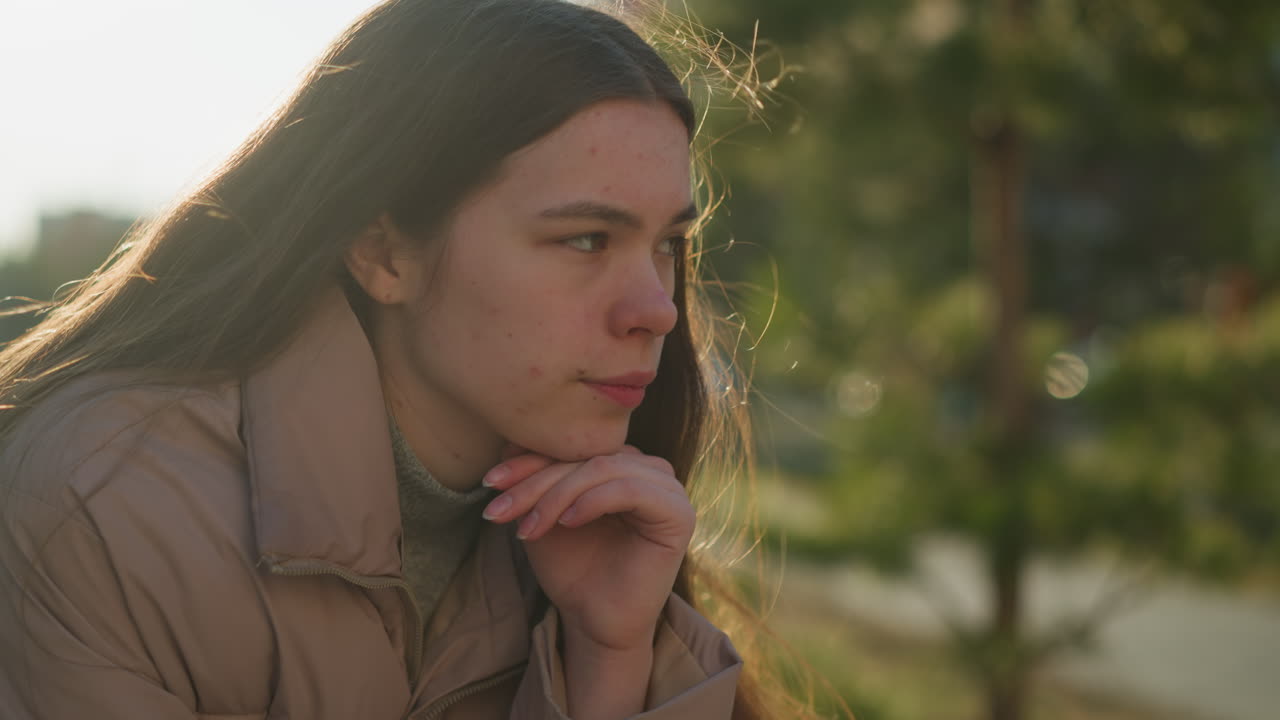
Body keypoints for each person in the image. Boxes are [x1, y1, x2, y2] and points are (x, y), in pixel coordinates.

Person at [0, 1, 785, 719]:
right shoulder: (104, 507)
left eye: (668, 245)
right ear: (383, 251)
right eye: (585, 239)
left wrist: (609, 655)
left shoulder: (592, 546)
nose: (657, 307)